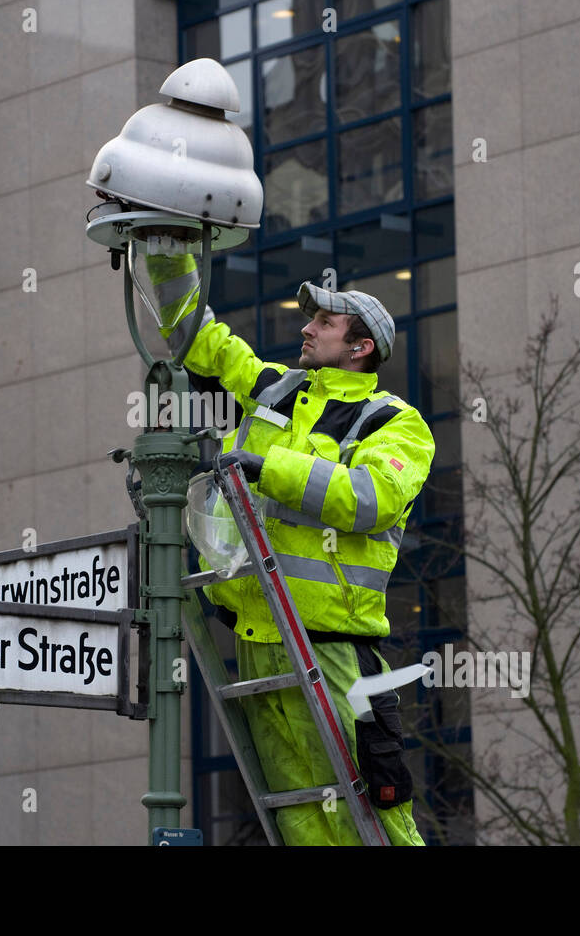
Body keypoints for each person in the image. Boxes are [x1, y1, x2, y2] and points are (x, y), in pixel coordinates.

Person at [146, 252, 436, 846]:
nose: (305, 328)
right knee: (299, 817)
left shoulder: (395, 423)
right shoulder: (274, 392)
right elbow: (199, 337)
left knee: (374, 814)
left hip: (332, 648)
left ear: (360, 348)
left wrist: (265, 465)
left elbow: (368, 497)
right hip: (259, 638)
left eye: (323, 323)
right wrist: (165, 248)